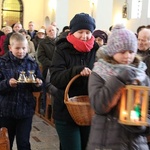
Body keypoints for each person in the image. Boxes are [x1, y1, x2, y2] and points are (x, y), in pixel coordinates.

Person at [87, 24, 150, 150]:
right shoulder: (100, 72)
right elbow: (99, 105)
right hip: (106, 141)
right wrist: (119, 79)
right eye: (122, 52)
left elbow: (146, 108)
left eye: (131, 52)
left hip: (135, 143)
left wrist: (143, 124)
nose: (127, 56)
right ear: (112, 51)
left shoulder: (141, 74)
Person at [49, 13, 99, 150]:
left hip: (89, 110)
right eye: (80, 32)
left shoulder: (97, 50)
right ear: (72, 32)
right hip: (66, 111)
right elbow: (55, 78)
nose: (84, 36)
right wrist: (76, 71)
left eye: (88, 32)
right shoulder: (62, 49)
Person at [0, 33, 43, 150]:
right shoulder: (2, 62)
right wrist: (7, 83)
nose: (21, 51)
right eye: (17, 48)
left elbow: (38, 85)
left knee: (23, 143)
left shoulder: (32, 63)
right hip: (6, 110)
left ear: (28, 48)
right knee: (5, 142)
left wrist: (38, 84)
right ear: (10, 48)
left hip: (25, 109)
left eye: (24, 48)